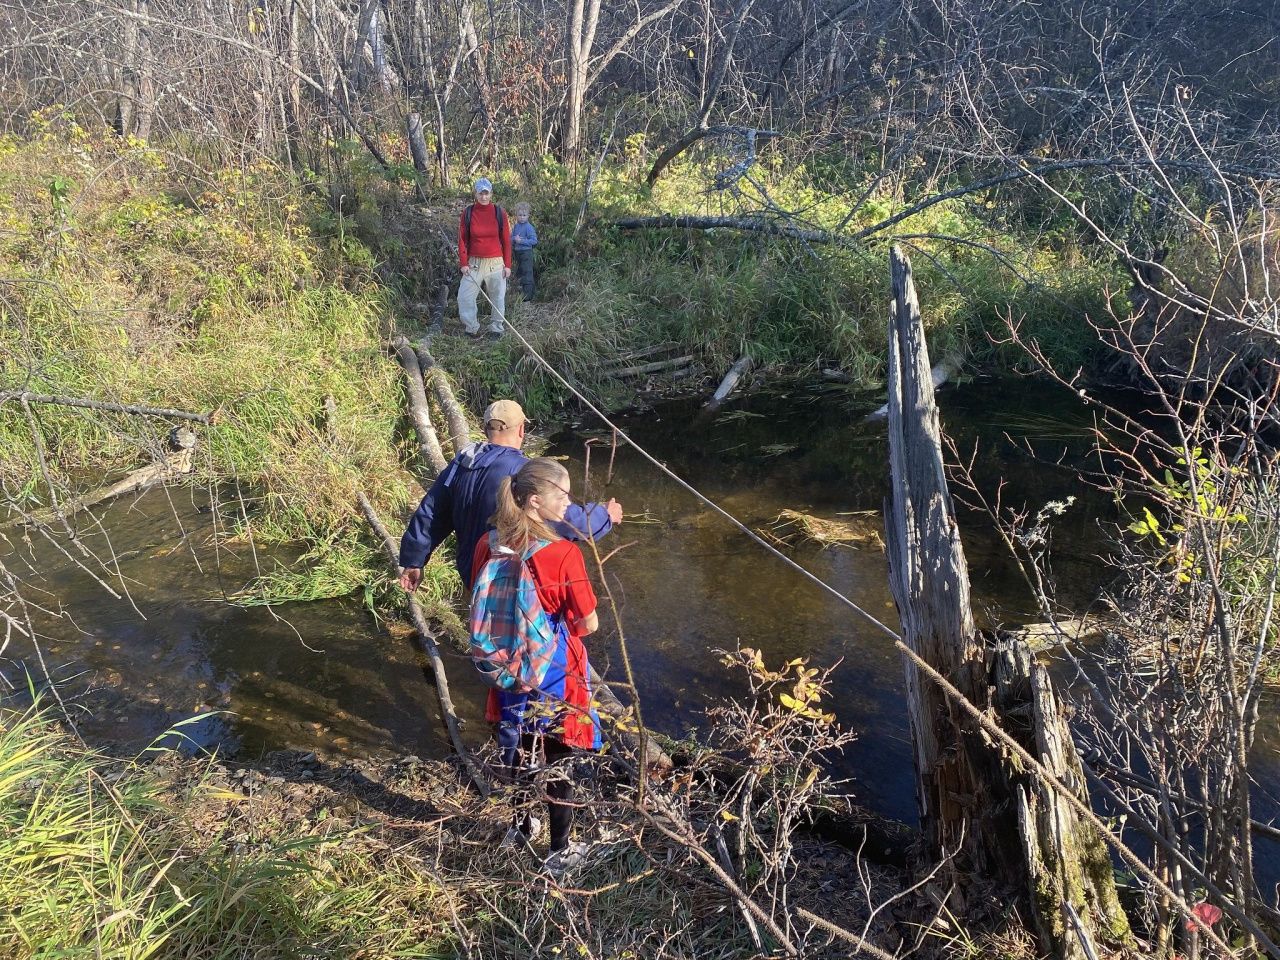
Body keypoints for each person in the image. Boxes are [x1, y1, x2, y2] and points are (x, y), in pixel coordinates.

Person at [471, 458, 602, 875]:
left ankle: (521, 824)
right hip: (554, 673)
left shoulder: (487, 542)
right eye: (561, 496)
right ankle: (560, 850)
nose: (568, 505)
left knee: (520, 747)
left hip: (508, 668)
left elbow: (481, 604)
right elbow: (587, 623)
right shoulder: (564, 553)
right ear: (532, 502)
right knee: (558, 756)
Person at [398, 399, 623, 594]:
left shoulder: (462, 462)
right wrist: (604, 515)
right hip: (508, 578)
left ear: (486, 429)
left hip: (472, 572)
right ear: (521, 430)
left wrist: (414, 560)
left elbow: (432, 512)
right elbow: (567, 520)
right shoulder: (524, 472)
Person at [458, 177, 512, 340]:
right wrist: (463, 263)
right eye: (480, 193)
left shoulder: (499, 213)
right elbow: (462, 239)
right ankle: (471, 327)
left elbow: (506, 240)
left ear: (491, 194)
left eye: (486, 193)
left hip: (496, 263)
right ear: (475, 193)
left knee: (497, 297)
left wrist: (507, 265)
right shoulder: (468, 213)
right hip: (474, 263)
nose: (483, 197)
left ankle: (496, 328)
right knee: (464, 297)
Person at [511, 202, 538, 300]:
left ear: (528, 216)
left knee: (527, 273)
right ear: (517, 215)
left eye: (524, 215)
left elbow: (534, 241)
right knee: (520, 273)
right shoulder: (516, 226)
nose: (522, 217)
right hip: (517, 253)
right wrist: (514, 239)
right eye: (520, 215)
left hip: (526, 253)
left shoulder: (528, 227)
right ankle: (521, 293)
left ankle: (528, 297)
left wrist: (521, 241)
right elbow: (511, 238)